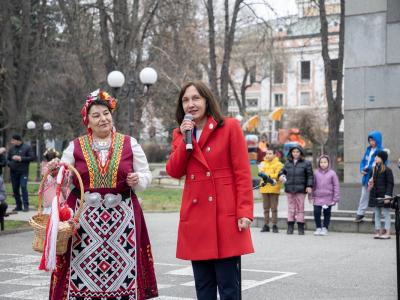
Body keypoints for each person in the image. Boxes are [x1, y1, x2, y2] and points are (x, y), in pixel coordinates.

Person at [46, 90, 158, 299]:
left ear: (111, 114)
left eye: (105, 113)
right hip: (84, 222)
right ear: (87, 121)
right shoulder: (75, 146)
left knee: (123, 267)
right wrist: (56, 171)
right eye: (96, 115)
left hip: (123, 222)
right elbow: (65, 178)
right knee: (82, 266)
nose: (103, 119)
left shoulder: (129, 143)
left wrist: (138, 179)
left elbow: (146, 174)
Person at [166, 81, 254, 300]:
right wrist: (186, 140)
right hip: (197, 218)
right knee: (203, 287)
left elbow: (242, 173)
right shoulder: (180, 133)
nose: (191, 104)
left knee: (228, 287)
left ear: (206, 100)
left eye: (196, 98)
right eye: (185, 100)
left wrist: (244, 211)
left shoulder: (230, 127)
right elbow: (174, 171)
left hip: (225, 216)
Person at [278, 145, 313, 235]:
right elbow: (282, 172)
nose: (295, 153)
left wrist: (309, 185)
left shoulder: (306, 163)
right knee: (291, 208)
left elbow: (310, 176)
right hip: (289, 189)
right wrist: (281, 175)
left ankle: (301, 227)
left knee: (300, 208)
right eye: (294, 152)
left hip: (301, 189)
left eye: (297, 152)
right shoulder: (287, 163)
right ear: (291, 153)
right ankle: (290, 227)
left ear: (301, 153)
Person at [354, 131, 383, 222]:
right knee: (364, 195)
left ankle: (376, 214)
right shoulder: (368, 150)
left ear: (377, 140)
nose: (371, 142)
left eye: (373, 140)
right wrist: (362, 169)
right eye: (370, 140)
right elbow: (363, 161)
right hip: (366, 177)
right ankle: (360, 213)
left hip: (376, 177)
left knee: (376, 196)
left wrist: (370, 168)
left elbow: (383, 164)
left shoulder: (381, 151)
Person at [310, 155, 340, 236]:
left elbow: (336, 185)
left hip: (328, 197)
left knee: (327, 213)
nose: (323, 164)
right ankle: (318, 227)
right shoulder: (316, 173)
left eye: (325, 162)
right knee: (316, 212)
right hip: (318, 197)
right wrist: (311, 196)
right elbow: (313, 185)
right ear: (319, 163)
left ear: (328, 163)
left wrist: (335, 198)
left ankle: (325, 227)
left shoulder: (332, 173)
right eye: (321, 162)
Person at [368, 150, 394, 239]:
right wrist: (370, 182)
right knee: (377, 213)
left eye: (377, 157)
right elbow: (370, 181)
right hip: (376, 195)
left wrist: (388, 196)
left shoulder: (387, 170)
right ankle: (378, 231)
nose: (375, 158)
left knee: (386, 213)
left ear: (382, 159)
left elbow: (390, 184)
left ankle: (387, 232)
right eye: (375, 156)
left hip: (384, 196)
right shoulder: (373, 169)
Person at [7, 134, 34, 212]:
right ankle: (18, 206)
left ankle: (26, 206)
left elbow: (32, 157)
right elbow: (8, 159)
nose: (12, 142)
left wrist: (21, 158)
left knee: (23, 187)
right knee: (15, 189)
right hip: (13, 172)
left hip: (23, 172)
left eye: (13, 140)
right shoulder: (11, 149)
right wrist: (10, 164)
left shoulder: (27, 147)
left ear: (18, 140)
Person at [258, 148, 283, 233]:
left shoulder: (279, 164)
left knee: (274, 208)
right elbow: (261, 174)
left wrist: (268, 175)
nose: (268, 155)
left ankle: (274, 225)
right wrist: (269, 176)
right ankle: (266, 225)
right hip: (265, 188)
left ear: (275, 155)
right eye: (267, 153)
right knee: (265, 208)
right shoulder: (262, 163)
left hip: (274, 188)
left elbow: (277, 175)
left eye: (270, 153)